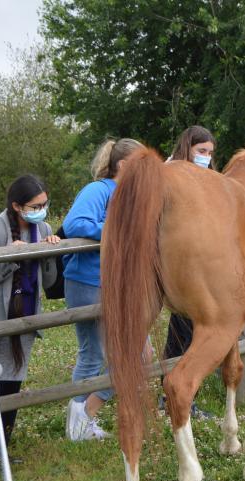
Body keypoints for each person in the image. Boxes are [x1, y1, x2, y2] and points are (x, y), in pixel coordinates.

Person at [0, 174, 60, 470]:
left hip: (27, 316)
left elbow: (49, 281)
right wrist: (9, 259)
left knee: (13, 386)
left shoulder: (43, 228)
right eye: (35, 206)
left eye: (44, 204)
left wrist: (49, 252)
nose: (41, 210)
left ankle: (2, 452)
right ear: (17, 206)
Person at [63, 138, 142, 441]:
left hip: (120, 284)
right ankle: (77, 425)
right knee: (93, 353)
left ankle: (85, 415)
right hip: (88, 281)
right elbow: (75, 224)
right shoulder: (98, 190)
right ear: (123, 165)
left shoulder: (133, 196)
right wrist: (119, 229)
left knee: (141, 353)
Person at [162, 125, 217, 419]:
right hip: (180, 264)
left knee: (188, 331)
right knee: (184, 332)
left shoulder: (207, 176)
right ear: (188, 148)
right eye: (201, 151)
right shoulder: (170, 173)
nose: (206, 157)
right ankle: (174, 394)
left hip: (201, 264)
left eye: (209, 152)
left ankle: (176, 394)